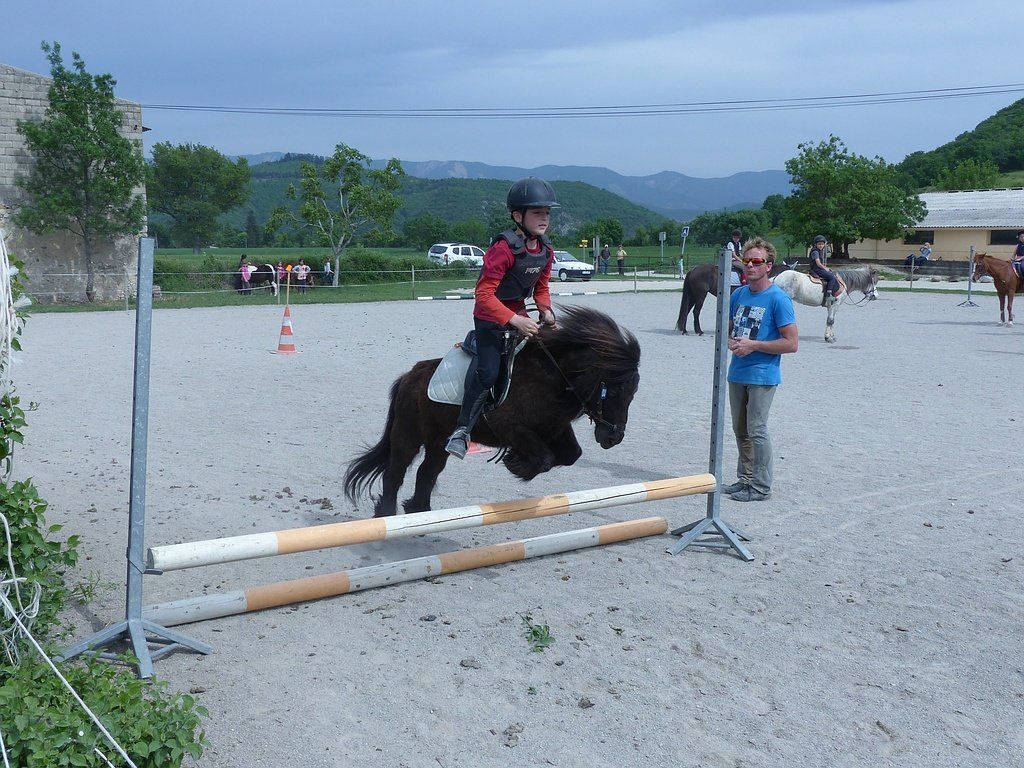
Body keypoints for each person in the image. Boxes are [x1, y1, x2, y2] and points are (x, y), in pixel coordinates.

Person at [444, 177, 558, 459]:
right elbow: (483, 295)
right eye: (537, 213)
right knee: (489, 372)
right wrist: (514, 320)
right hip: (489, 319)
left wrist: (545, 309)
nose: (544, 218)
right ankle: (461, 431)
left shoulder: (545, 249)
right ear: (518, 216)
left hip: (519, 314)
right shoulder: (503, 249)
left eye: (547, 213)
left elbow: (541, 287)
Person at [721, 238, 798, 502]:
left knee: (757, 429)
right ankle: (745, 479)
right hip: (737, 372)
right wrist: (732, 342)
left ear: (769, 266)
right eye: (747, 261)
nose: (750, 266)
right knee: (740, 430)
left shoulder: (778, 299)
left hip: (762, 374)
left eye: (757, 262)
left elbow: (791, 343)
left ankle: (761, 486)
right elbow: (730, 330)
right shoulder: (738, 295)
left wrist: (754, 345)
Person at [808, 235, 841, 302]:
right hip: (816, 269)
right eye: (819, 244)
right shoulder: (815, 252)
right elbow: (818, 263)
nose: (821, 246)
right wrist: (825, 268)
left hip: (818, 268)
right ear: (816, 244)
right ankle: (828, 295)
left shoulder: (819, 251)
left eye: (822, 244)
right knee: (832, 277)